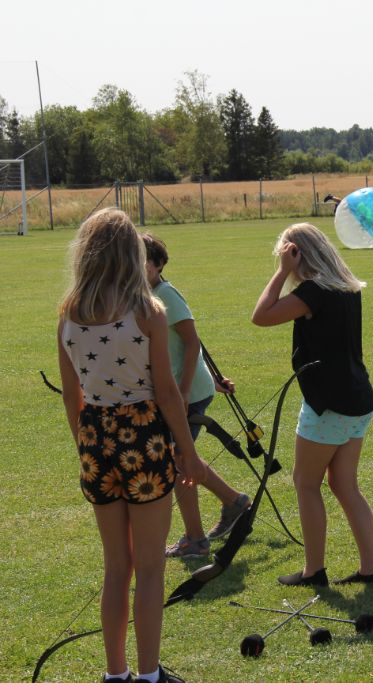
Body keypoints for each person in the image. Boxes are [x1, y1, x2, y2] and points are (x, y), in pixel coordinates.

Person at [57, 208, 203, 683]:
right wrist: (189, 451)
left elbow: (73, 399)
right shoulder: (148, 313)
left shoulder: (69, 314)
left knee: (115, 567)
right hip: (144, 440)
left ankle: (115, 674)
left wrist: (89, 447)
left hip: (95, 439)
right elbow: (165, 393)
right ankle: (149, 675)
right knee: (150, 567)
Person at [251, 223, 373, 588]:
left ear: (296, 254)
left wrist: (280, 272)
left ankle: (314, 571)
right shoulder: (346, 287)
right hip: (358, 398)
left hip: (329, 404)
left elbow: (261, 316)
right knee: (345, 484)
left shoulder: (314, 292)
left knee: (305, 482)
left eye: (286, 255)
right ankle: (372, 569)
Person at [140, 234, 251, 560]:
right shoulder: (140, 297)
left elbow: (191, 343)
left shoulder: (165, 295)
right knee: (177, 457)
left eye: (144, 261)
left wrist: (188, 389)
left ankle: (196, 539)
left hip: (185, 394)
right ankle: (234, 502)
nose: (136, 267)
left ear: (158, 265)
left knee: (176, 462)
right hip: (170, 392)